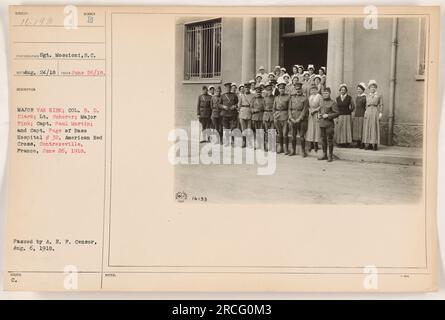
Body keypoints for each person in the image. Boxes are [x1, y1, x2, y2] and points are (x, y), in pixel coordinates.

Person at [318, 87, 339, 162]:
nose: (325, 94)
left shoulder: (333, 102)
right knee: (323, 140)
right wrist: (319, 115)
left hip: (329, 124)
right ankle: (324, 154)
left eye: (326, 93)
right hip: (322, 123)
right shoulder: (321, 101)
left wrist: (328, 116)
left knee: (329, 140)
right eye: (324, 93)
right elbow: (320, 110)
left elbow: (337, 113)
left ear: (329, 93)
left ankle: (330, 155)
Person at [288, 82, 309, 157]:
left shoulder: (305, 98)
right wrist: (290, 117)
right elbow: (289, 109)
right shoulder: (292, 98)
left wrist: (299, 119)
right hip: (293, 119)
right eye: (296, 89)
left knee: (302, 136)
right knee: (293, 136)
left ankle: (303, 151)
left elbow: (305, 110)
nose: (298, 91)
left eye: (299, 89)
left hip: (301, 120)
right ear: (294, 90)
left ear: (302, 89)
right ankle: (293, 150)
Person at [363, 80, 383, 151]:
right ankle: (368, 144)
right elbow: (366, 105)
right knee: (368, 127)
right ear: (369, 88)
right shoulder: (367, 95)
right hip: (368, 111)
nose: (373, 88)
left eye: (374, 87)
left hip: (375, 111)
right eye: (371, 87)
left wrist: (380, 113)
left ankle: (375, 144)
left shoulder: (379, 95)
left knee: (374, 127)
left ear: (376, 88)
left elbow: (381, 104)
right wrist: (365, 112)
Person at [273, 81, 290, 154]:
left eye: (283, 88)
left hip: (285, 115)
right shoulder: (276, 97)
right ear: (278, 89)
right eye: (280, 88)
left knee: (285, 133)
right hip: (277, 116)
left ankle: (286, 148)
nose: (282, 90)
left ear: (284, 89)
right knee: (279, 133)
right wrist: (274, 115)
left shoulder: (288, 97)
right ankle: (281, 147)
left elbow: (289, 108)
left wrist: (289, 117)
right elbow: (274, 107)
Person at [306, 85, 322, 153]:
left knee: (316, 129)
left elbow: (321, 106)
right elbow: (308, 106)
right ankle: (311, 144)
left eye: (314, 89)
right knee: (311, 128)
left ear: (317, 90)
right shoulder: (310, 97)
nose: (313, 91)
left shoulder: (319, 96)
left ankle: (316, 144)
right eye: (312, 90)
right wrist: (310, 111)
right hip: (311, 114)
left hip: (317, 113)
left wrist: (315, 110)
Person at [237, 82, 253, 147]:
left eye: (248, 88)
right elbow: (239, 105)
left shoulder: (252, 96)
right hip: (242, 112)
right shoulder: (241, 96)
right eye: (246, 88)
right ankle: (244, 142)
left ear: (249, 88)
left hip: (249, 112)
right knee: (243, 128)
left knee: (249, 128)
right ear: (244, 88)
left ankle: (249, 142)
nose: (247, 89)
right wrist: (239, 111)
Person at [353, 82, 367, 148]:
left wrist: (365, 114)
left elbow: (366, 107)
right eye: (357, 89)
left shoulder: (365, 97)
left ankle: (362, 143)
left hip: (362, 114)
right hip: (357, 114)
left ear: (363, 89)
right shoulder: (357, 97)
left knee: (361, 129)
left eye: (360, 89)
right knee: (357, 129)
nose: (358, 90)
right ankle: (358, 142)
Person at [263, 83, 275, 151]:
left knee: (272, 131)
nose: (269, 91)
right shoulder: (264, 98)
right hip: (266, 114)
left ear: (272, 90)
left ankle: (272, 146)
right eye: (268, 90)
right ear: (266, 91)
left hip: (272, 114)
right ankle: (266, 146)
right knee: (266, 131)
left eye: (270, 90)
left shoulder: (274, 98)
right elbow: (263, 106)